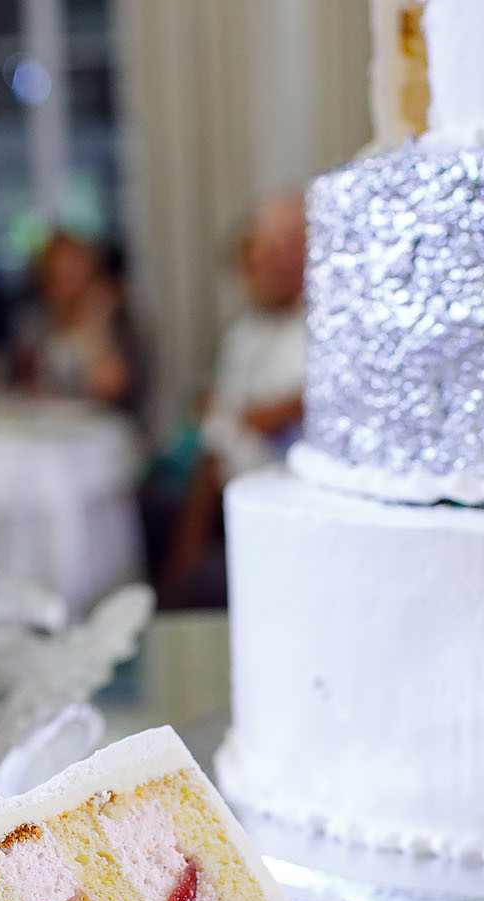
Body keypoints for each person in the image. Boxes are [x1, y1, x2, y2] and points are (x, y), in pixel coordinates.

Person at [160, 192, 308, 606]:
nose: (271, 267)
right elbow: (220, 434)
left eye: (286, 250)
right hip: (237, 489)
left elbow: (272, 414)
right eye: (256, 261)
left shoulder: (324, 327)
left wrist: (243, 415)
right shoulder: (243, 334)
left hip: (291, 500)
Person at [20, 233, 137, 411]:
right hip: (55, 420)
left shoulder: (115, 319)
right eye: (60, 274)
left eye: (75, 271)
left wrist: (98, 321)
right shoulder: (41, 321)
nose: (70, 282)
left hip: (102, 424)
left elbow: (110, 386)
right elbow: (31, 383)